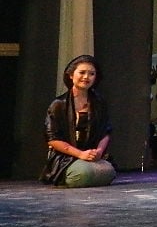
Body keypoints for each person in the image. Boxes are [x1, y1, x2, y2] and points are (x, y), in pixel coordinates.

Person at [41, 55, 116, 188]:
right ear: (71, 75)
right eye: (82, 72)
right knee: (84, 173)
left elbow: (105, 132)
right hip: (67, 157)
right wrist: (80, 154)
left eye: (91, 74)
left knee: (109, 171)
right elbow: (53, 139)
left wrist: (98, 152)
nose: (86, 77)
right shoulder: (59, 104)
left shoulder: (99, 102)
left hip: (91, 155)